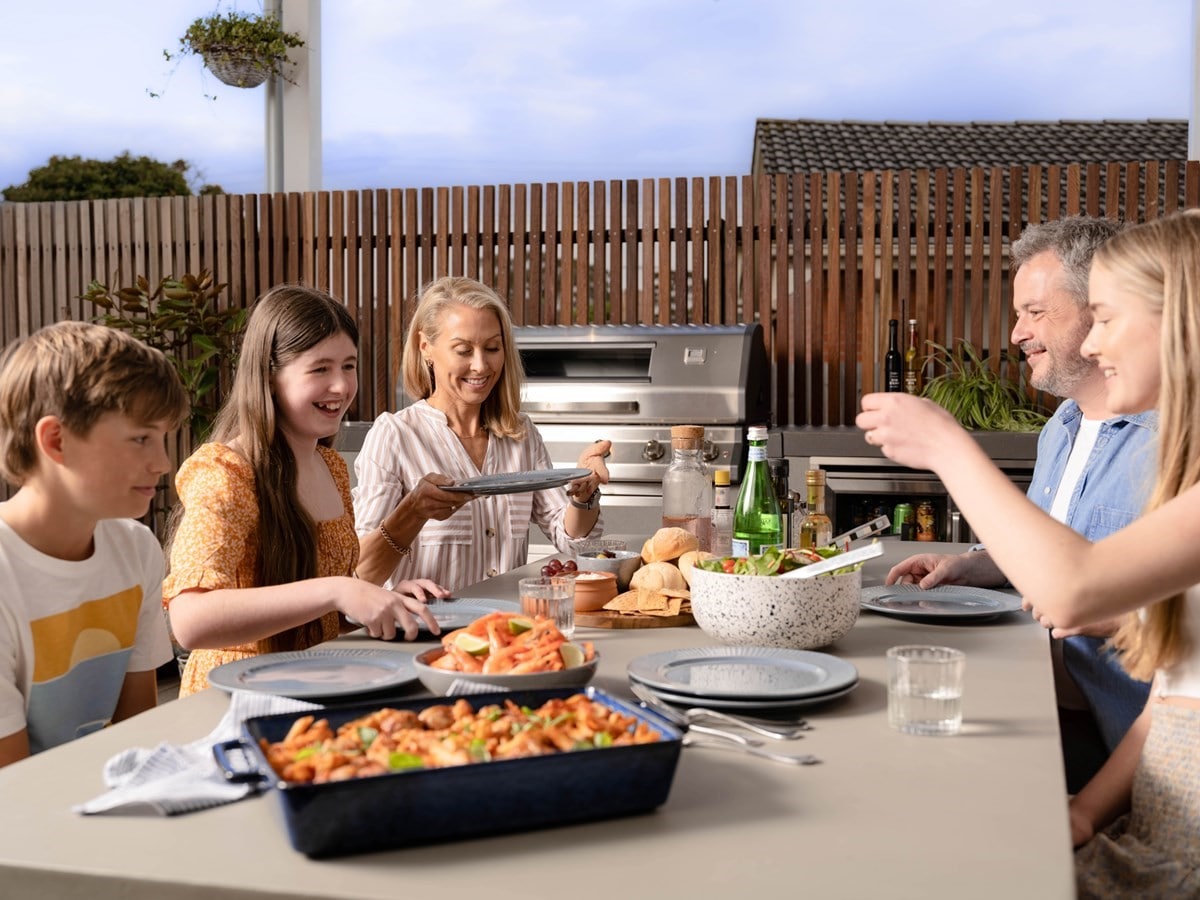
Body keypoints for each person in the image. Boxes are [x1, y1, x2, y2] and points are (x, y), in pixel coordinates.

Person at [858, 210, 1200, 895]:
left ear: (1176, 323)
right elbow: (1179, 692)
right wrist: (1083, 814)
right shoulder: (1078, 432)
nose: (1098, 342)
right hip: (1148, 817)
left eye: (1106, 315)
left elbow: (1073, 590)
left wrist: (947, 447)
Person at [885, 216, 1156, 791]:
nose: (1015, 334)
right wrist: (975, 564)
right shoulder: (1061, 425)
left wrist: (946, 446)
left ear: (1102, 309)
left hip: (1134, 745)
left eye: (1035, 312)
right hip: (1054, 707)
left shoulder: (1174, 439)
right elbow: (1047, 547)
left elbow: (1167, 621)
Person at [164, 285, 445, 698]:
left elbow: (314, 610)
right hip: (237, 702)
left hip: (319, 685)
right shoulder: (225, 473)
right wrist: (338, 590)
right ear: (270, 377)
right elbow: (190, 622)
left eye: (348, 366)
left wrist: (372, 602)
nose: (340, 386)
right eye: (320, 369)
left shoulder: (330, 465)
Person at [0, 322, 189, 767]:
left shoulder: (135, 549)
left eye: (163, 438)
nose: (162, 463)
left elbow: (137, 738)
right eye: (141, 438)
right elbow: (12, 793)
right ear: (56, 441)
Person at [353, 276, 611, 590]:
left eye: (492, 348)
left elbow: (570, 541)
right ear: (426, 348)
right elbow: (361, 573)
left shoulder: (521, 435)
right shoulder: (395, 437)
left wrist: (583, 496)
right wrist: (412, 512)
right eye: (463, 350)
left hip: (507, 629)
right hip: (428, 631)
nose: (481, 365)